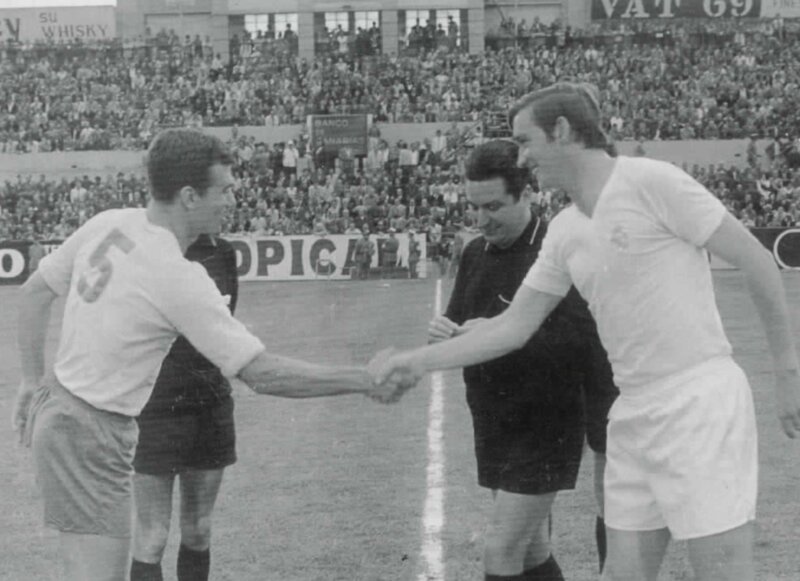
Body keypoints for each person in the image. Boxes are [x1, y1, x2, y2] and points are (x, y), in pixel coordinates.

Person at [369, 83, 800, 581]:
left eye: (526, 141)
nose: (523, 157)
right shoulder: (566, 231)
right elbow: (513, 327)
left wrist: (786, 372)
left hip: (698, 404)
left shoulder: (650, 182)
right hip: (632, 414)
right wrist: (415, 361)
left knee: (723, 573)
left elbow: (757, 262)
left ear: (562, 131)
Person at [11, 128, 394, 581]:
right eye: (225, 190)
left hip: (65, 416)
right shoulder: (177, 274)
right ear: (190, 195)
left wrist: (31, 381)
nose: (232, 199)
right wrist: (363, 379)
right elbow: (262, 374)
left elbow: (34, 293)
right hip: (92, 434)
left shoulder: (110, 220)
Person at [426, 139, 616, 580]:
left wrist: (495, 333)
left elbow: (578, 343)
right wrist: (443, 332)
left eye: (493, 206)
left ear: (526, 193)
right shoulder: (475, 252)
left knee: (501, 550)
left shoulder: (558, 248)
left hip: (547, 422)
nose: (481, 219)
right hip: (493, 418)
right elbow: (458, 320)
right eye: (474, 207)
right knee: (531, 550)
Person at [130, 233, 238, 581]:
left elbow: (224, 326)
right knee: (153, 535)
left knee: (198, 529)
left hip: (210, 405)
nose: (230, 202)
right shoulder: (149, 249)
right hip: (157, 407)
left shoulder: (222, 252)